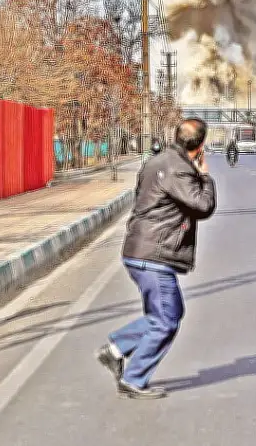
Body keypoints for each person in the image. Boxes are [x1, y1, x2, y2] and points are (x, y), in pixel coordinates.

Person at [95, 118, 216, 399]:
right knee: (166, 320)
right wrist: (205, 177)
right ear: (200, 146)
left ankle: (116, 348)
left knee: (167, 314)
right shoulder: (179, 169)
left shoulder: (157, 161)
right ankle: (133, 378)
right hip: (154, 255)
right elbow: (203, 206)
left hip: (140, 250)